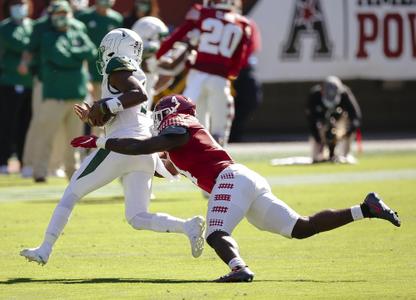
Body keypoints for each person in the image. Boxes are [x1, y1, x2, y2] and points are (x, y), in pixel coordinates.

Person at [71, 94, 401, 282]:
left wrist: (105, 142)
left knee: (216, 232)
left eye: (161, 113)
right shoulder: (178, 139)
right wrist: (110, 147)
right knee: (301, 228)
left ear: (171, 112)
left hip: (230, 180)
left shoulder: (179, 125)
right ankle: (366, 208)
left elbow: (154, 144)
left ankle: (239, 269)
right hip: (243, 180)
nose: (158, 118)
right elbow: (157, 163)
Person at [20, 29, 205, 266]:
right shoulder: (135, 72)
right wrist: (95, 114)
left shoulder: (119, 65)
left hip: (122, 146)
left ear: (117, 45)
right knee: (137, 217)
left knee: (71, 194)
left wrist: (105, 106)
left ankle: (44, 249)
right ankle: (188, 226)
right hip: (142, 149)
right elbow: (122, 107)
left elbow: (136, 95)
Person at [156, 0, 252, 147]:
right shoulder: (242, 23)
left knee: (191, 123)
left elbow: (177, 36)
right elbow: (236, 65)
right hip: (220, 79)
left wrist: (159, 54)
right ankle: (221, 159)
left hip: (197, 75)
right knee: (220, 131)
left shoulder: (201, 13)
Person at [19, 0, 88, 179]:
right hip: (49, 85)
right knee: (43, 129)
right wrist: (76, 55)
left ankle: (68, 170)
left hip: (75, 87)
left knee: (73, 134)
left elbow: (90, 51)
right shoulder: (44, 31)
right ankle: (36, 168)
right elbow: (59, 57)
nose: (62, 18)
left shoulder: (77, 27)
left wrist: (74, 55)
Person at [0, 0, 33, 174]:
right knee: (7, 124)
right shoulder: (4, 28)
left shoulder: (32, 26)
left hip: (30, 83)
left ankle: (23, 160)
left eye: (22, 3)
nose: (19, 7)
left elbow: (35, 45)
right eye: (15, 4)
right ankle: (3, 161)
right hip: (9, 82)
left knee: (26, 124)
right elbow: (19, 44)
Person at [306, 76, 362, 163]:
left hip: (340, 125)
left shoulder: (345, 94)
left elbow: (356, 117)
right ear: (322, 91)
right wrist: (319, 139)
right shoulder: (315, 96)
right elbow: (311, 121)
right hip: (322, 125)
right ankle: (320, 153)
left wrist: (346, 133)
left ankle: (344, 154)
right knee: (316, 158)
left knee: (348, 127)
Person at [76, 0, 123, 103]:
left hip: (106, 68)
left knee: (101, 103)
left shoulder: (117, 18)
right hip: (86, 66)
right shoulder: (84, 16)